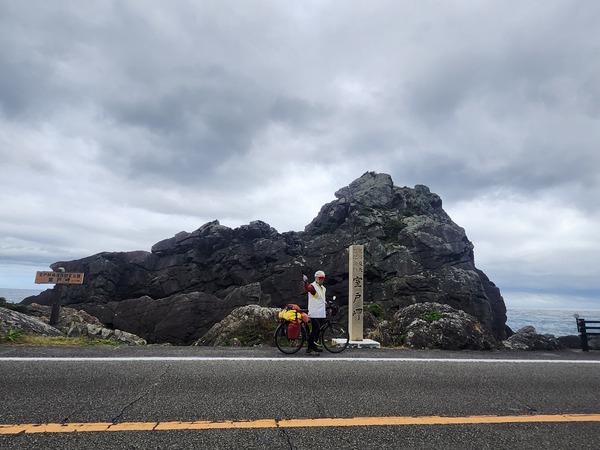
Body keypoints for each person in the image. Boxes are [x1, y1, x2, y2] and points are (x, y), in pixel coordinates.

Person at [303, 270, 327, 354]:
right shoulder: (313, 286)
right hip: (314, 313)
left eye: (322, 278)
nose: (321, 280)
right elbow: (307, 288)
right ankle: (309, 348)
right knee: (314, 330)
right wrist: (305, 282)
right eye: (320, 278)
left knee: (318, 331)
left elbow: (322, 300)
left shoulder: (323, 288)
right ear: (316, 278)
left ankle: (314, 346)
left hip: (321, 312)